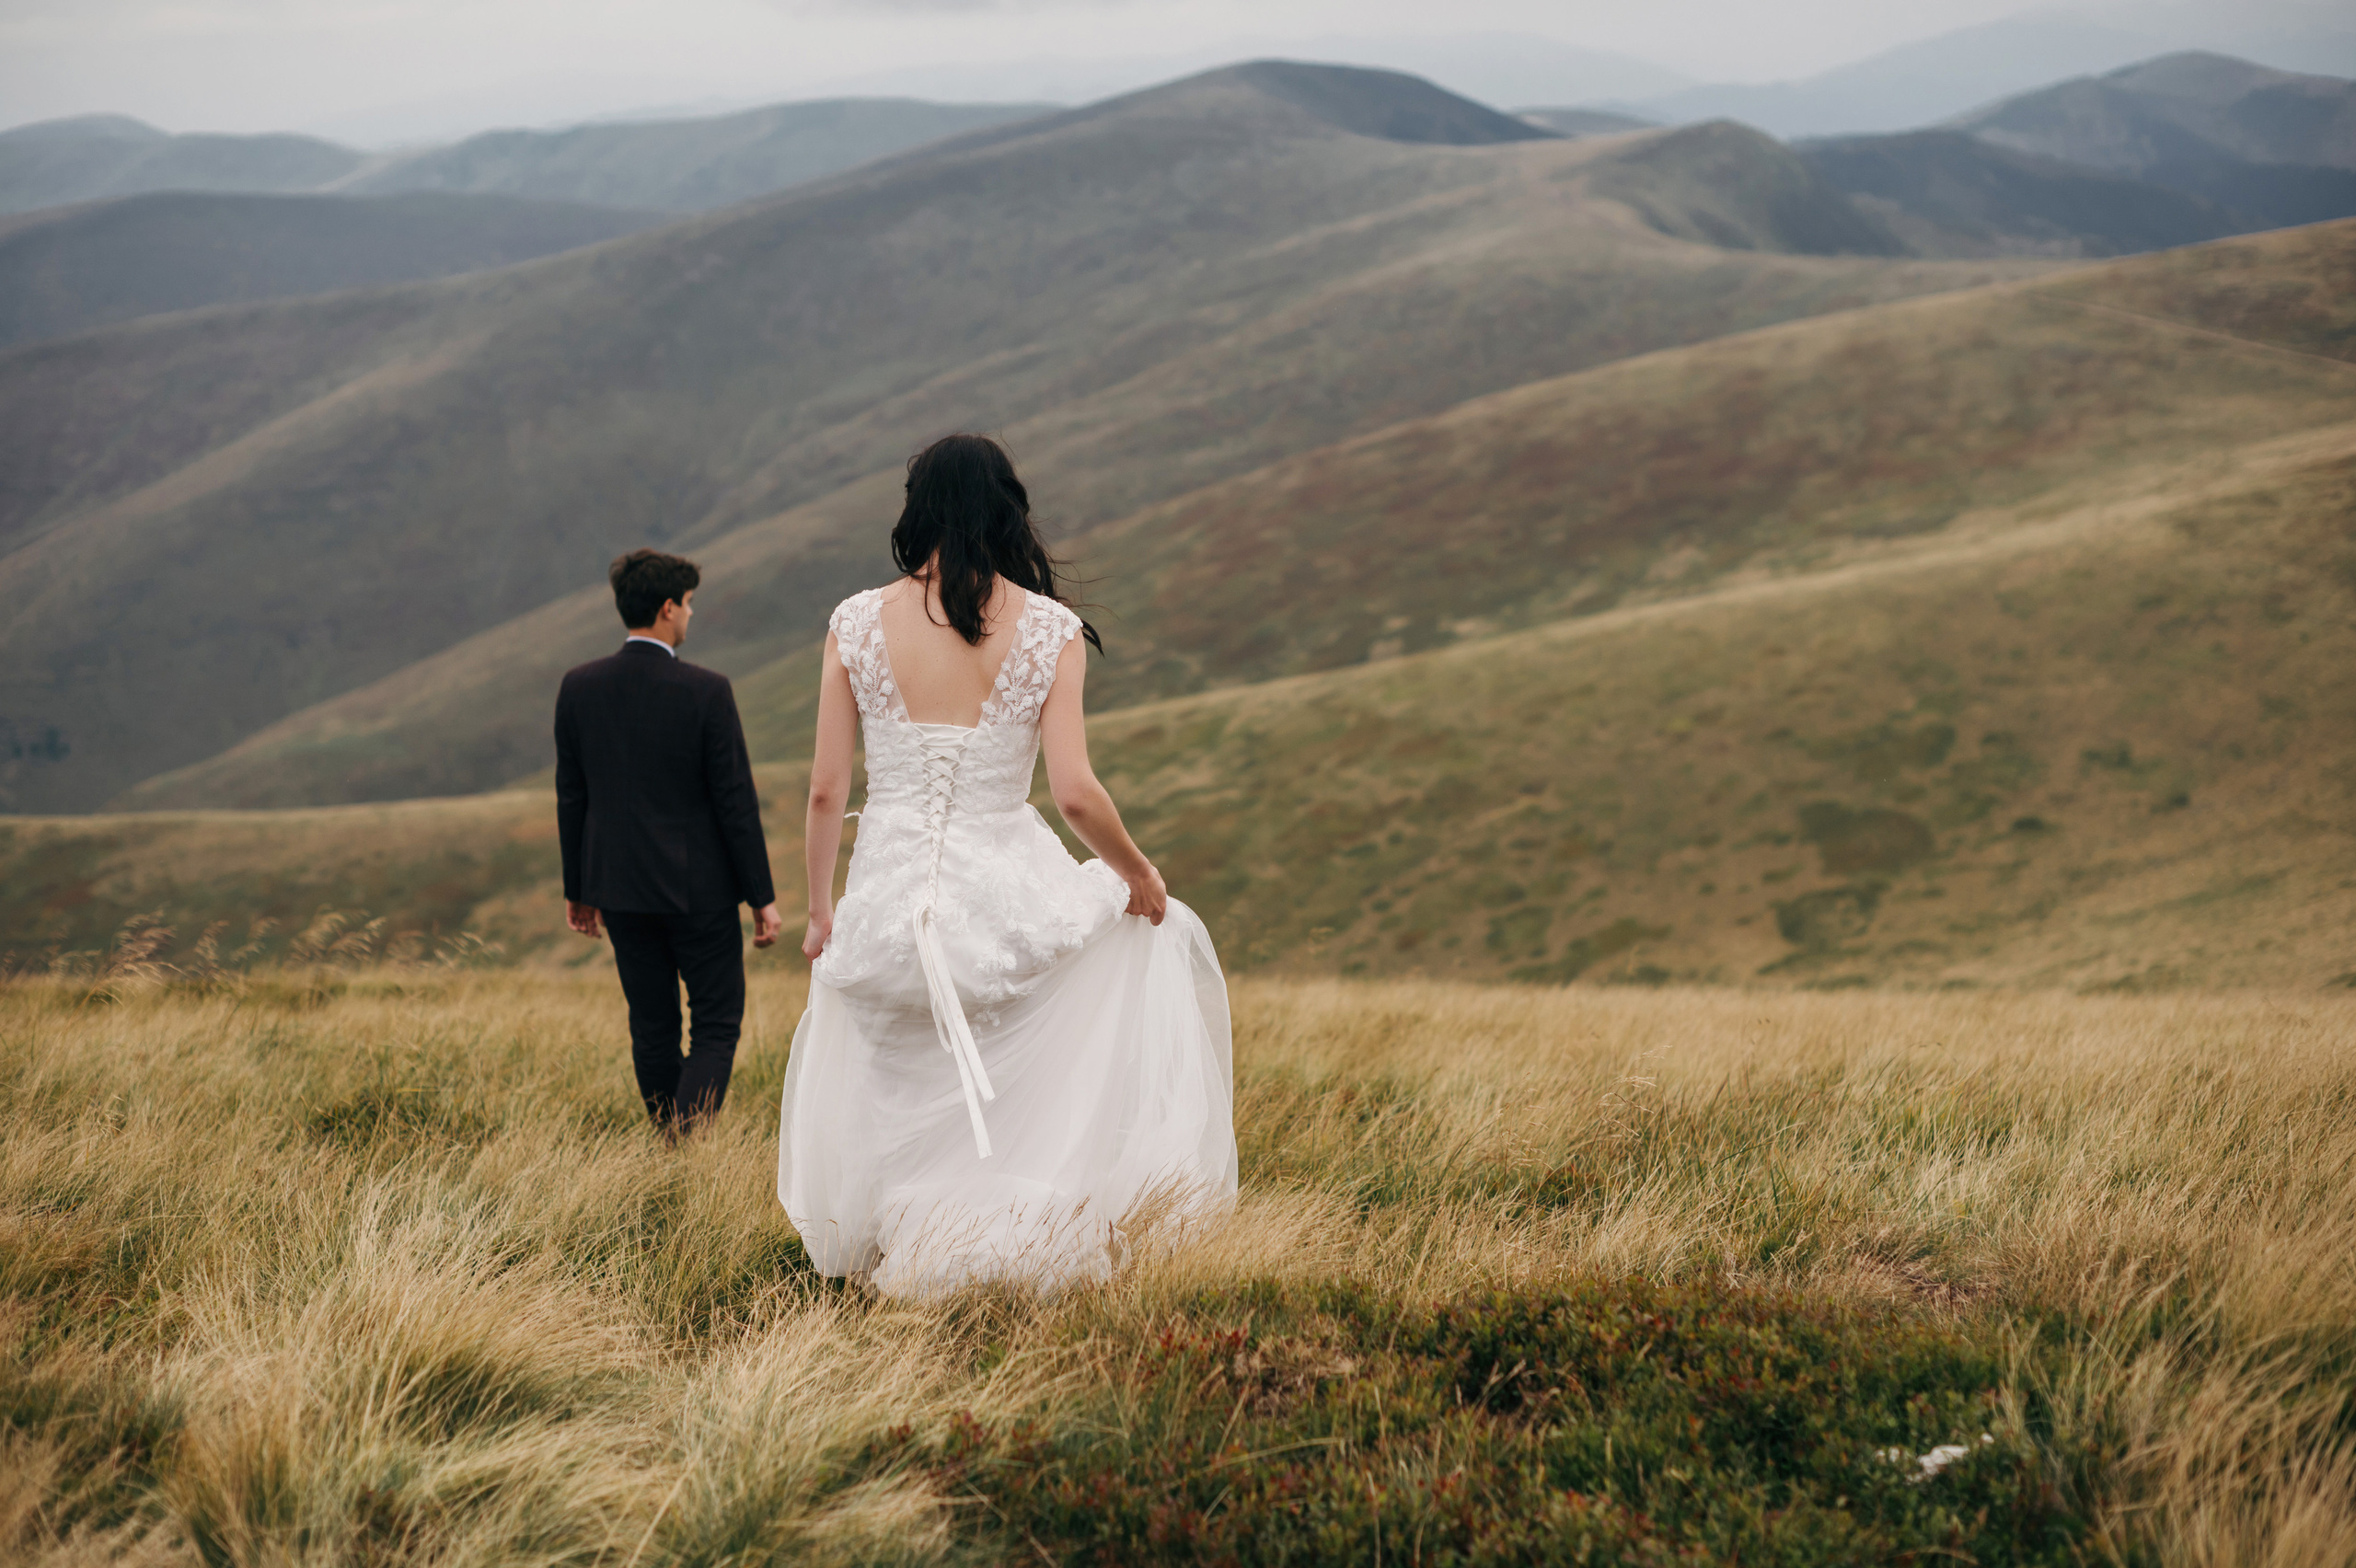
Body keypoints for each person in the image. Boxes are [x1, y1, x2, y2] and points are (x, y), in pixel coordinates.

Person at [778, 434, 1235, 1297]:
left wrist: (818, 912)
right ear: (1006, 506)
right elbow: (1076, 795)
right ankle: (996, 1243)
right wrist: (1137, 876)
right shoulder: (1049, 629)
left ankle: (893, 1249)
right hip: (1001, 890)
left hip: (886, 892)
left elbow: (825, 791)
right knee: (1023, 1063)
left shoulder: (853, 623)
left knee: (900, 1073)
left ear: (917, 510)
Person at [556, 548, 783, 1134]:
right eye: (687, 604)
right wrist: (761, 896)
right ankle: (687, 1144)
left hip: (620, 890)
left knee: (651, 1025)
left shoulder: (579, 688)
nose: (689, 614)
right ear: (666, 609)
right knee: (715, 1021)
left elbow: (572, 797)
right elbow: (735, 802)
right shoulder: (706, 691)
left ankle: (670, 1142)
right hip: (700, 892)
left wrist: (578, 890)